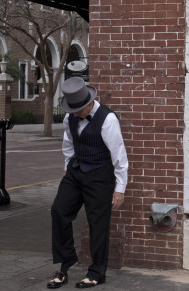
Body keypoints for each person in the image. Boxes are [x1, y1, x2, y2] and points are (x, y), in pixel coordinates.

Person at [47, 77, 128, 289]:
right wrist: (68, 165)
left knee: (98, 224)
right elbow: (68, 143)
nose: (74, 114)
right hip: (75, 172)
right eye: (72, 110)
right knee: (58, 210)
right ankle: (67, 260)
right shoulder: (70, 117)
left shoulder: (108, 119)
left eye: (78, 110)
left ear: (89, 103)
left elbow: (119, 156)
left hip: (100, 175)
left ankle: (97, 272)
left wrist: (120, 189)